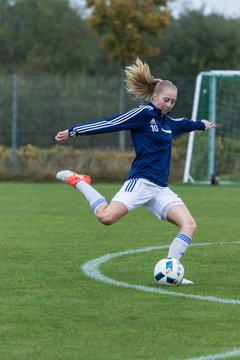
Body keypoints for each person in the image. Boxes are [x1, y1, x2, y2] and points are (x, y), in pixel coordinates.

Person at [55, 58, 215, 284]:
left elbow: (185, 123)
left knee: (189, 225)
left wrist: (202, 124)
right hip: (140, 182)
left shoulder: (168, 123)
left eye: (173, 101)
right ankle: (78, 180)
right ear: (154, 97)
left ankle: (171, 271)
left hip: (160, 189)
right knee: (105, 217)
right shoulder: (142, 115)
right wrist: (73, 131)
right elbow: (109, 123)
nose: (169, 105)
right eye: (166, 100)